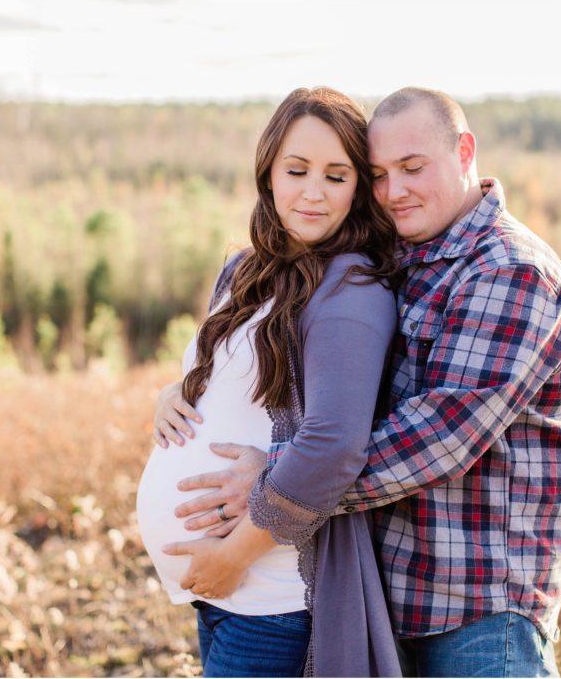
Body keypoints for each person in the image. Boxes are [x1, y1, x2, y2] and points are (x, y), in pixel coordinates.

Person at [157, 87, 561, 678]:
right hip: (392, 592)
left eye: (413, 169)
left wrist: (280, 478)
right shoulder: (405, 254)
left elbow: (438, 438)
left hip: (480, 609)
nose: (394, 191)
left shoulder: (509, 270)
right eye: (379, 175)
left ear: (465, 152)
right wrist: (188, 389)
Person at [135, 86, 402, 677]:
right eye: (297, 169)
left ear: (358, 187)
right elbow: (231, 375)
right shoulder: (245, 269)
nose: (313, 192)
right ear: (268, 172)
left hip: (270, 598)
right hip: (224, 597)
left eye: (336, 176)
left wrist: (232, 557)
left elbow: (333, 445)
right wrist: (178, 389)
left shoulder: (349, 288)